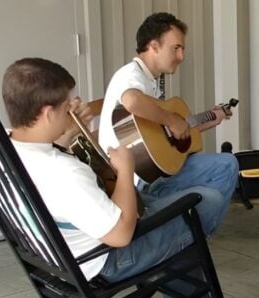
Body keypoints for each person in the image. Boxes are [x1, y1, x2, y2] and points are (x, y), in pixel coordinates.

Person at [3, 57, 223, 298]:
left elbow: (55, 172)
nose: (71, 110)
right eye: (65, 107)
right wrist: (125, 170)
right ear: (47, 113)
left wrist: (66, 135)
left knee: (173, 213)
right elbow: (121, 236)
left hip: (55, 257)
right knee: (205, 201)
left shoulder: (2, 147)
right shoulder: (64, 173)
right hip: (104, 261)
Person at [99, 12, 237, 232]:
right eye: (176, 48)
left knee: (227, 164)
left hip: (152, 170)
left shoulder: (150, 81)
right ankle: (192, 240)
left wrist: (206, 120)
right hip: (139, 181)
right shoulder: (131, 74)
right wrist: (173, 119)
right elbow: (132, 101)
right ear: (154, 46)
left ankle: (194, 236)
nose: (181, 56)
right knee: (219, 178)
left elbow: (161, 135)